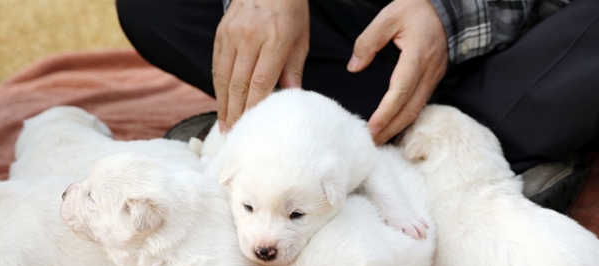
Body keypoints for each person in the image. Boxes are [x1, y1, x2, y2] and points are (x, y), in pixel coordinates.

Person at [115, 0, 599, 213]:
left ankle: (289, 131)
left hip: (525, 35)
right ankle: (469, 156)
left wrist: (445, 15)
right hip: (361, 36)